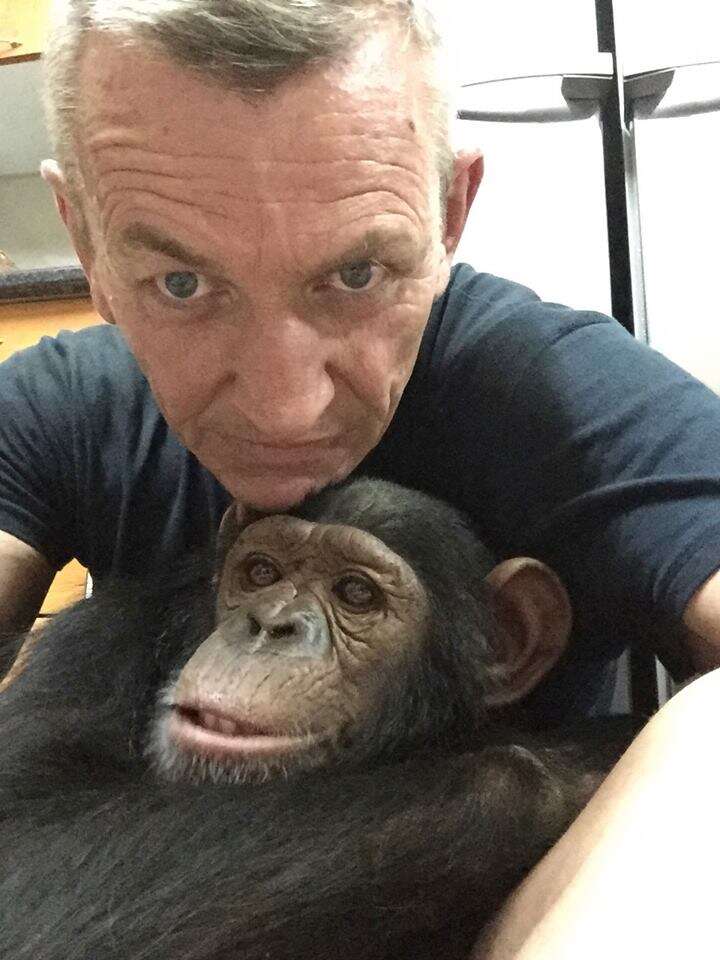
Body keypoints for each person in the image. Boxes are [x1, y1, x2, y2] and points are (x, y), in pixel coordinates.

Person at [1, 1, 720, 955]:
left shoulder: (554, 389)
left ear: (452, 212)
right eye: (181, 284)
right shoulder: (62, 409)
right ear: (83, 243)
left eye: (355, 276)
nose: (283, 409)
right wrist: (525, 788)